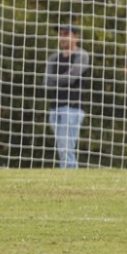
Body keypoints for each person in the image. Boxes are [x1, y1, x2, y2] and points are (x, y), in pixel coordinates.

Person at [44, 24, 90, 169]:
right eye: (60, 34)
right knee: (61, 146)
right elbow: (46, 82)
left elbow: (72, 78)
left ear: (77, 37)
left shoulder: (81, 55)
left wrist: (56, 79)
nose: (62, 37)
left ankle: (69, 174)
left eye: (66, 33)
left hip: (73, 108)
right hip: (55, 107)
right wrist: (61, 78)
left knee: (67, 147)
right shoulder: (54, 57)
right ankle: (68, 174)